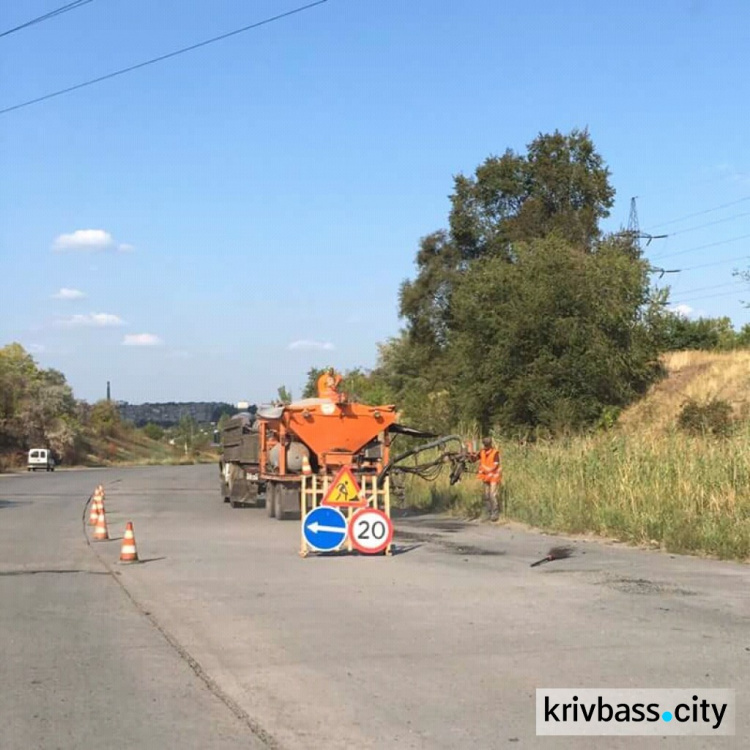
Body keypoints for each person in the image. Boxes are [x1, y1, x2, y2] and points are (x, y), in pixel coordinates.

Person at [477, 436, 502, 521]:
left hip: (494, 476)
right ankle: (488, 513)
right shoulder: (482, 452)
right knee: (486, 495)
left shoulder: (495, 453)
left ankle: (495, 513)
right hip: (486, 477)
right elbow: (475, 458)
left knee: (492, 494)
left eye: (486, 444)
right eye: (485, 444)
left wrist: (486, 469)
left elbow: (495, 465)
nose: (485, 446)